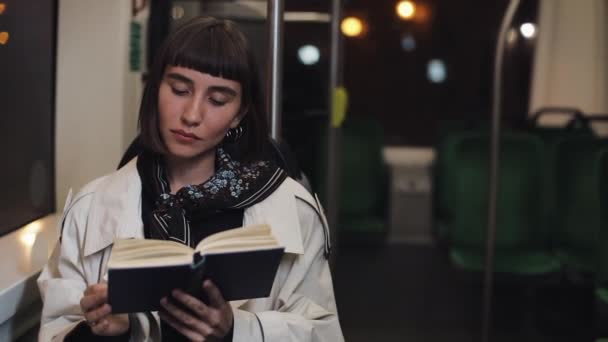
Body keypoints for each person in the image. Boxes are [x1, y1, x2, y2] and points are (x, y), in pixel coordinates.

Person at [38, 16, 344, 342]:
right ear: (155, 89)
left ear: (239, 114)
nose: (192, 115)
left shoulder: (293, 209)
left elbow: (321, 332)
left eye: (217, 100)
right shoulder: (92, 207)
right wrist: (106, 332)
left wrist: (235, 332)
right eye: (180, 89)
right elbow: (57, 330)